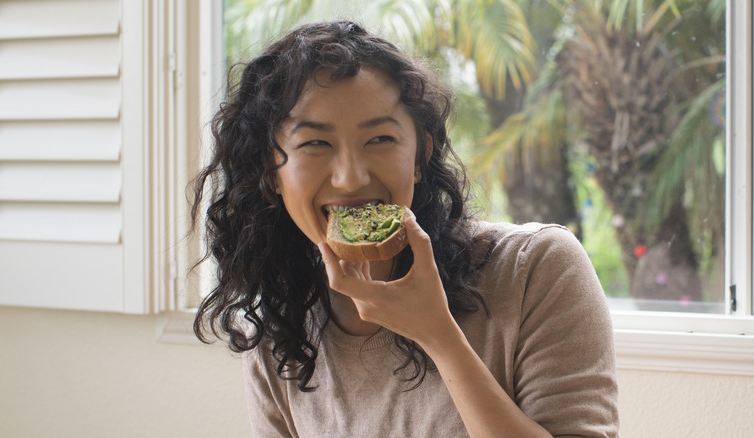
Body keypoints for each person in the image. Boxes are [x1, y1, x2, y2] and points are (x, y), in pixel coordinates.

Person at [192, 20, 619, 437]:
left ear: (419, 158)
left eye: (380, 139)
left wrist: (439, 335)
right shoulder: (279, 331)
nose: (351, 178)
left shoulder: (537, 268)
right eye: (316, 144)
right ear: (271, 173)